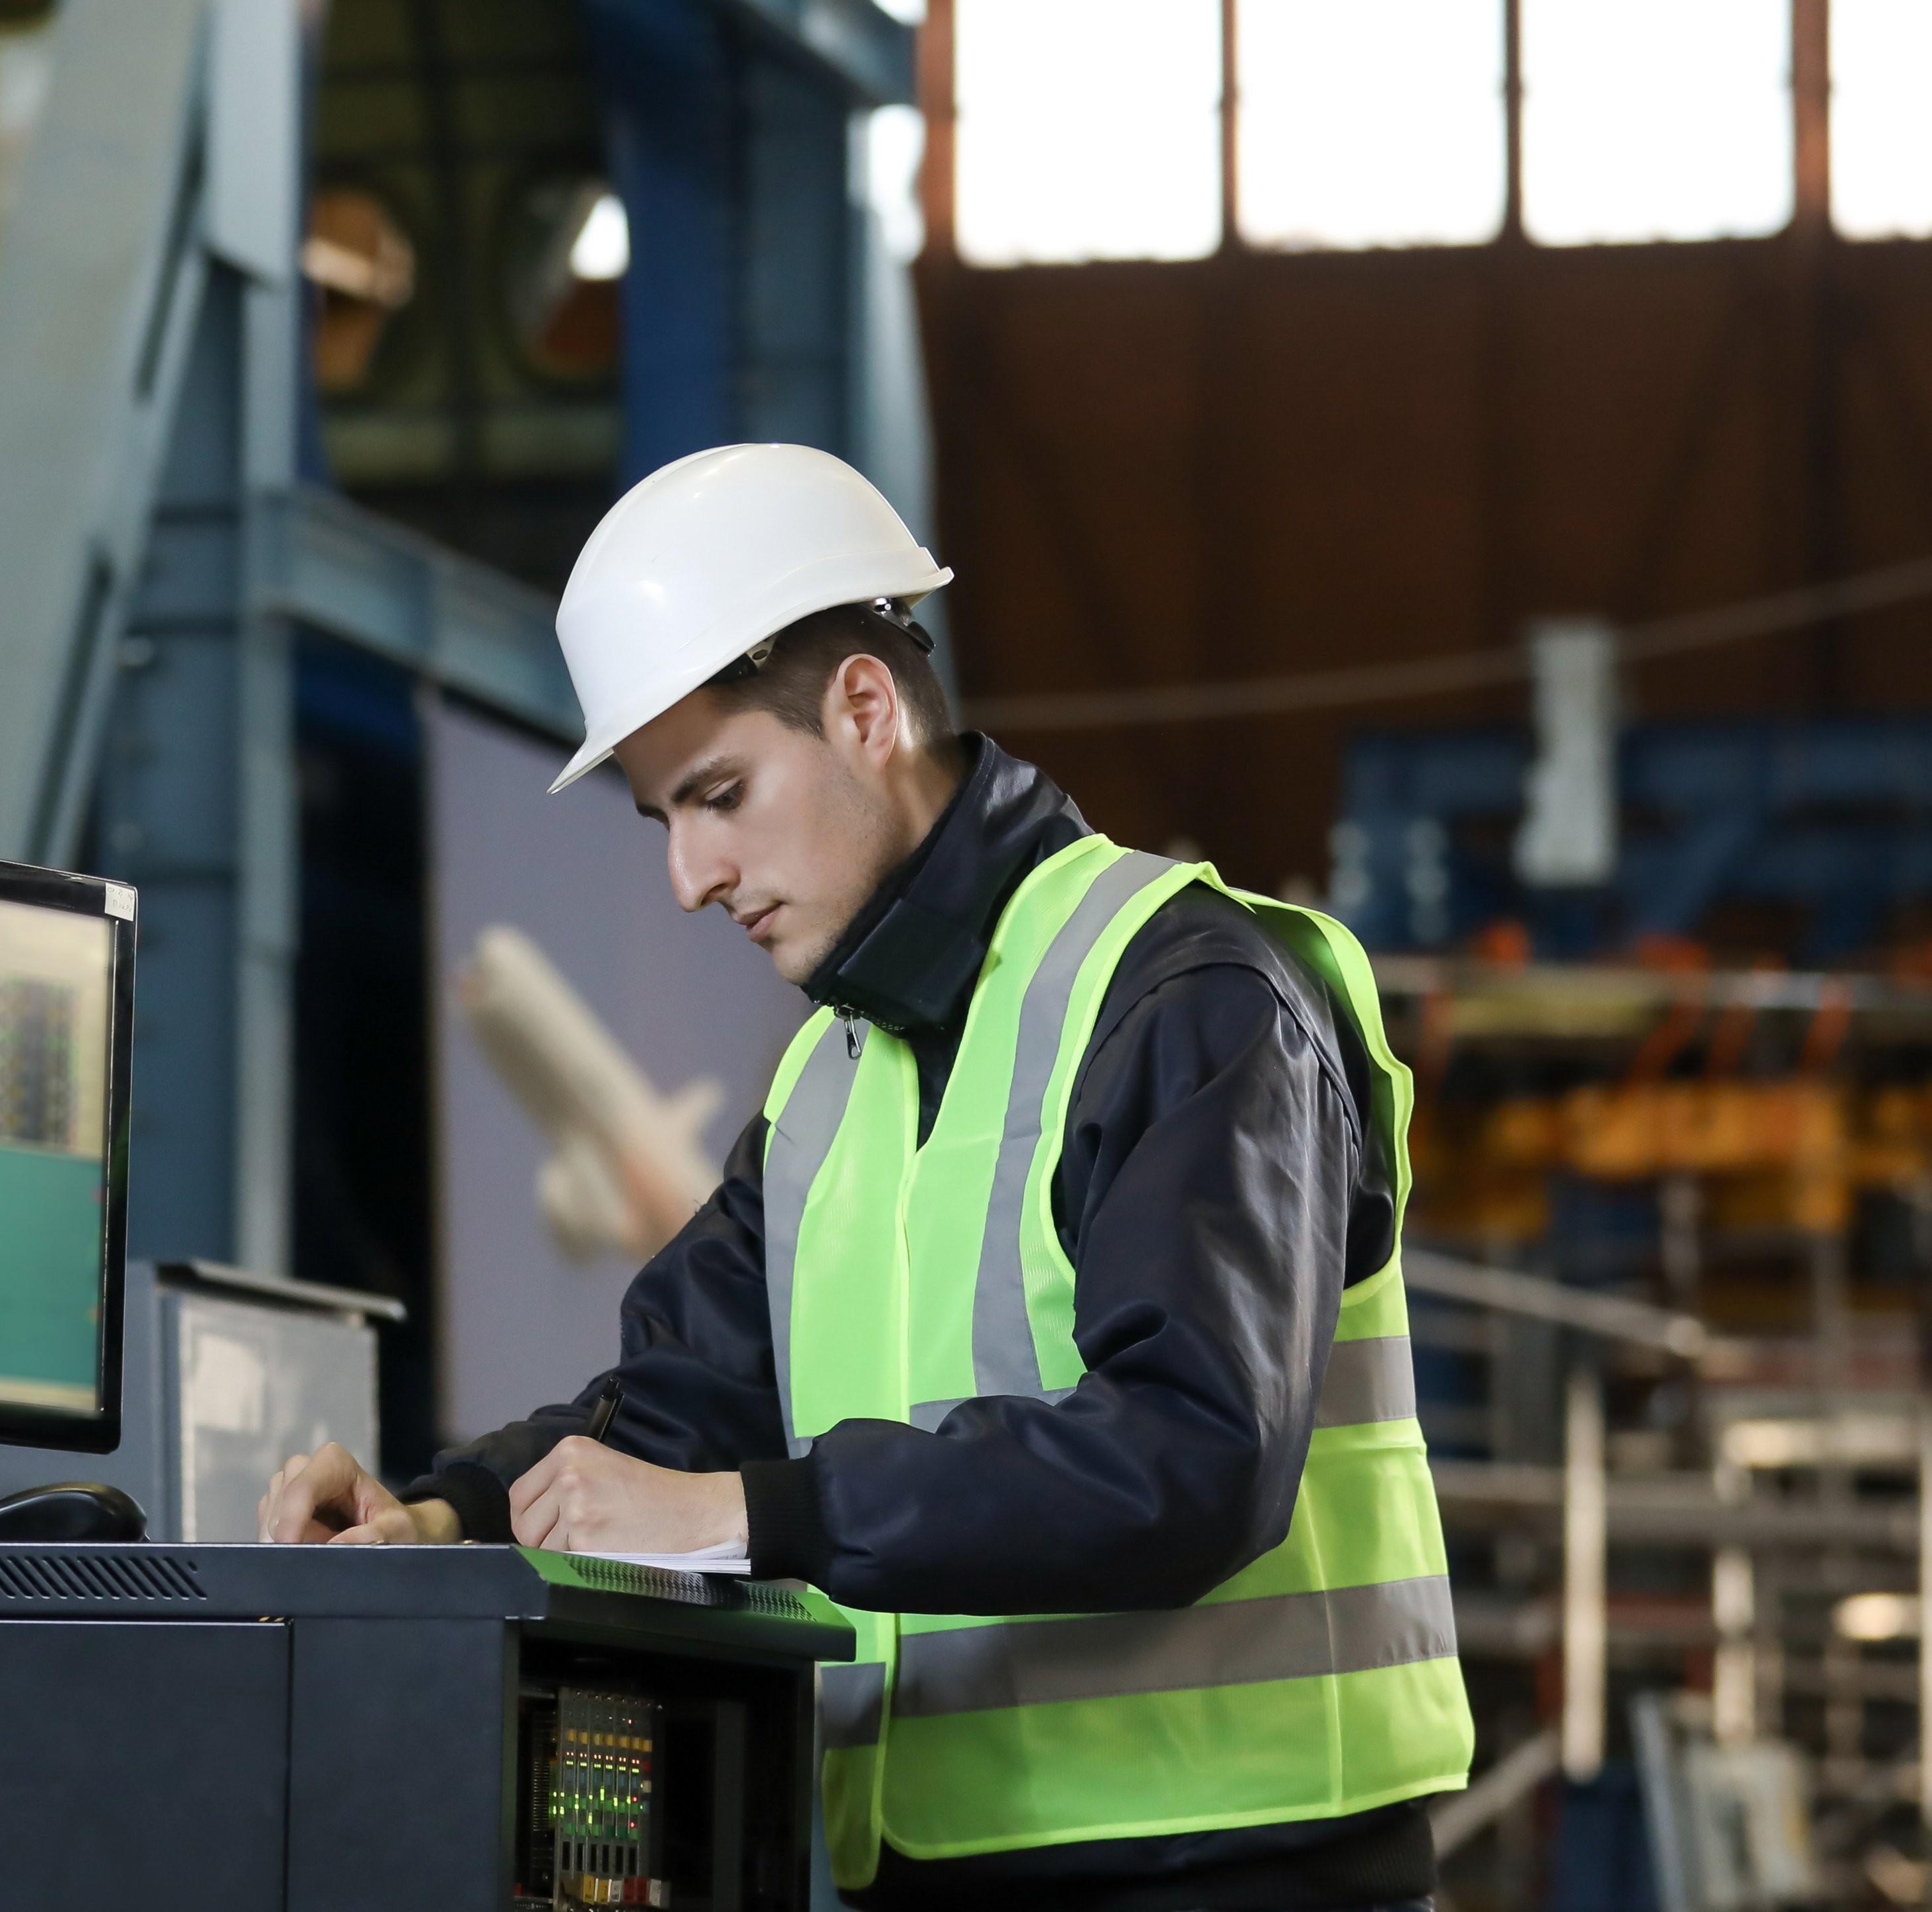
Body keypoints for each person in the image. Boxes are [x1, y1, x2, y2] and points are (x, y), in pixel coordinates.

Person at [258, 444, 1470, 1912]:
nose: (690, 878)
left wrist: (742, 1516)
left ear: (864, 707)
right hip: (938, 1871)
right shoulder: (831, 1079)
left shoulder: (1191, 990)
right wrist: (441, 1517)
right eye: (665, 821)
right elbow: (679, 1403)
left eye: (719, 794)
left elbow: (1195, 1454)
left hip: (1245, 1870)